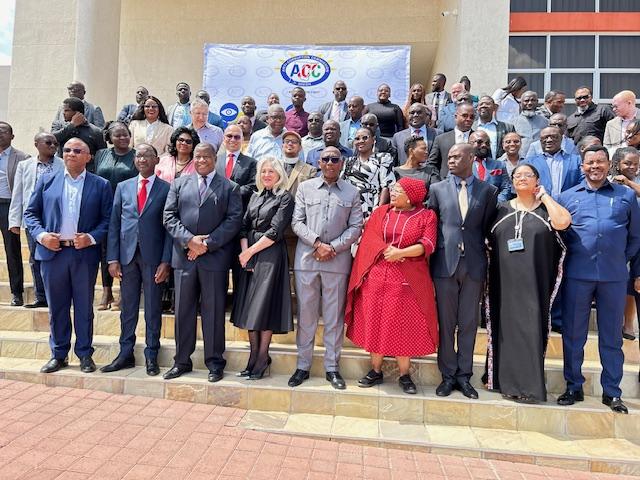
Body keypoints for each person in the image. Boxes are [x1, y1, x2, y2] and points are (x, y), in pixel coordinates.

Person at [557, 145, 640, 414]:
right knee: (573, 334)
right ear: (582, 166)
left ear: (608, 165)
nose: (595, 167)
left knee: (611, 336)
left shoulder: (626, 196)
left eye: (600, 162)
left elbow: (635, 237)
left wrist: (617, 258)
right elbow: (561, 238)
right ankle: (573, 385)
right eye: (590, 162)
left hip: (613, 277)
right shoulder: (567, 197)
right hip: (577, 275)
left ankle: (612, 392)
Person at [24, 138, 113, 374]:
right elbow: (31, 215)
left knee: (84, 307)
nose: (71, 154)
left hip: (83, 254)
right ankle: (59, 354)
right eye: (67, 150)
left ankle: (84, 354)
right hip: (54, 253)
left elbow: (107, 220)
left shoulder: (101, 185)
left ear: (88, 157)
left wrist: (91, 238)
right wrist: (42, 236)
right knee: (57, 307)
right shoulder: (46, 180)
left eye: (77, 150)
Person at [484, 164, 570, 403]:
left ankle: (528, 387)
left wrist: (544, 197)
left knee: (531, 330)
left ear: (537, 180)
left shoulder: (545, 210)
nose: (522, 178)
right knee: (504, 331)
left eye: (527, 175)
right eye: (517, 175)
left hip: (534, 284)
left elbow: (563, 223)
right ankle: (503, 382)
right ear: (511, 182)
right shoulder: (500, 209)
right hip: (503, 284)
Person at [345, 177, 439, 394]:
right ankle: (375, 370)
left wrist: (401, 253)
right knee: (375, 323)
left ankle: (404, 375)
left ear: (411, 197)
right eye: (393, 190)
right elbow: (369, 238)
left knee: (402, 326)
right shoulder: (382, 212)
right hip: (376, 277)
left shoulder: (426, 216)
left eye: (398, 191)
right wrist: (384, 249)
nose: (393, 193)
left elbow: (428, 244)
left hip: (407, 281)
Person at [162, 143, 243, 382]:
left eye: (206, 156)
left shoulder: (230, 187)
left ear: (214, 159)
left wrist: (206, 244)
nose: (201, 160)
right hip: (184, 258)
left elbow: (234, 220)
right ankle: (181, 361)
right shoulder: (178, 184)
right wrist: (189, 241)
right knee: (183, 312)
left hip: (214, 259)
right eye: (197, 156)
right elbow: (169, 216)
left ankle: (215, 362)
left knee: (214, 312)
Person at [288, 146, 363, 389]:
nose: (330, 163)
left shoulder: (352, 192)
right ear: (318, 162)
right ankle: (303, 366)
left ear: (342, 163)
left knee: (333, 318)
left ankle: (332, 367)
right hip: (307, 261)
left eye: (335, 159)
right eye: (325, 159)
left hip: (337, 262)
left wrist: (333, 248)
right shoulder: (305, 188)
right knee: (307, 316)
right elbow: (296, 222)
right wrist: (318, 244)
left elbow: (356, 227)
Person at [429, 143, 498, 399]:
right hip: (444, 265)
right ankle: (447, 376)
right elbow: (432, 224)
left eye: (457, 156)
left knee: (468, 324)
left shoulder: (488, 191)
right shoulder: (436, 189)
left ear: (471, 158)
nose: (452, 160)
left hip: (474, 265)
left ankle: (464, 376)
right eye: (449, 157)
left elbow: (488, 227)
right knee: (446, 324)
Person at [102, 143, 172, 376]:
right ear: (135, 161)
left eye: (147, 155)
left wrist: (166, 261)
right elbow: (114, 224)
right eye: (139, 155)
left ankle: (152, 354)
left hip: (153, 258)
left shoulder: (167, 189)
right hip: (126, 257)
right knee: (128, 308)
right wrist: (112, 258)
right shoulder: (122, 187)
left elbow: (169, 229)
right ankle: (125, 354)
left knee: (152, 308)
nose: (142, 159)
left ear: (156, 160)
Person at [232, 157, 295, 380]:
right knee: (250, 308)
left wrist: (249, 252)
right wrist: (244, 253)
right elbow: (243, 226)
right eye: (264, 171)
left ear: (280, 174)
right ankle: (252, 357)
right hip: (248, 255)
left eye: (271, 171)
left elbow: (275, 231)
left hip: (270, 255)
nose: (267, 175)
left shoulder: (285, 198)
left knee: (263, 307)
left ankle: (262, 357)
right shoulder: (255, 196)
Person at [9, 133, 63, 309]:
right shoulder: (25, 166)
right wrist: (14, 221)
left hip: (56, 218)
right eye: (48, 142)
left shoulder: (63, 165)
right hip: (33, 219)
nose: (53, 146)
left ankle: (57, 295)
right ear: (36, 144)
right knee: (35, 257)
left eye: (55, 143)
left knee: (56, 258)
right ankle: (41, 296)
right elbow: (18, 193)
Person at [94, 122, 138, 311]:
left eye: (126, 134)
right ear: (109, 138)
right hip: (103, 209)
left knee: (123, 250)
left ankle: (122, 291)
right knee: (104, 251)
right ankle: (106, 290)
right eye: (118, 135)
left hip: (126, 210)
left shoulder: (136, 155)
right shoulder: (101, 155)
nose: (123, 138)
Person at [610, 147, 640, 341]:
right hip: (622, 240)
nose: (632, 167)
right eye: (628, 163)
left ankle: (630, 322)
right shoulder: (610, 180)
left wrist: (629, 183)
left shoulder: (635, 182)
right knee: (627, 282)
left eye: (636, 164)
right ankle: (626, 323)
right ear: (617, 164)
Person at [0, 122, 29, 306]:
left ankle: (16, 293)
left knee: (12, 251)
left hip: (8, 206)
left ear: (12, 136)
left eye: (4, 132)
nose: (0, 134)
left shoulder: (22, 157)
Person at [342, 127, 394, 219]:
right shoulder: (349, 161)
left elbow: (386, 186)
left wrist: (378, 212)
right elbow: (343, 184)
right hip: (349, 205)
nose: (361, 141)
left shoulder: (383, 158)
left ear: (373, 140)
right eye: (357, 139)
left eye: (365, 138)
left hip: (371, 205)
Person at [524, 127, 583, 200]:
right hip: (539, 206)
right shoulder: (530, 162)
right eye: (545, 138)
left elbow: (583, 183)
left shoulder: (576, 160)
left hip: (570, 205)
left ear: (561, 139)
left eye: (553, 137)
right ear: (540, 141)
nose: (549, 140)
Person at [427, 103, 475, 178]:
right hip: (446, 184)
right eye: (465, 115)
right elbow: (431, 164)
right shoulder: (441, 139)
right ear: (456, 117)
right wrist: (436, 182)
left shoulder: (479, 140)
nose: (469, 119)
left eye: (472, 117)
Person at [216, 125, 257, 208]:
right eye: (229, 136)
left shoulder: (252, 163)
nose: (233, 139)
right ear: (224, 138)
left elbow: (253, 185)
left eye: (237, 137)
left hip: (239, 208)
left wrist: (233, 193)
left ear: (242, 140)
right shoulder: (215, 160)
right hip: (216, 207)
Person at [469, 131, 511, 202]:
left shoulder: (499, 165)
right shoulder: (461, 164)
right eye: (479, 142)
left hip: (494, 207)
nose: (484, 145)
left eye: (487, 143)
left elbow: (506, 188)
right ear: (469, 144)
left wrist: (495, 203)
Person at [513, 91, 549, 158]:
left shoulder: (545, 121)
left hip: (540, 158)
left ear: (537, 102)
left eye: (533, 100)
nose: (529, 103)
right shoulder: (513, 122)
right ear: (521, 103)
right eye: (526, 101)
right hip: (520, 158)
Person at [604, 90, 640, 155]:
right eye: (613, 107)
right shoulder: (611, 124)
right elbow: (606, 147)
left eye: (616, 106)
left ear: (629, 103)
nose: (613, 109)